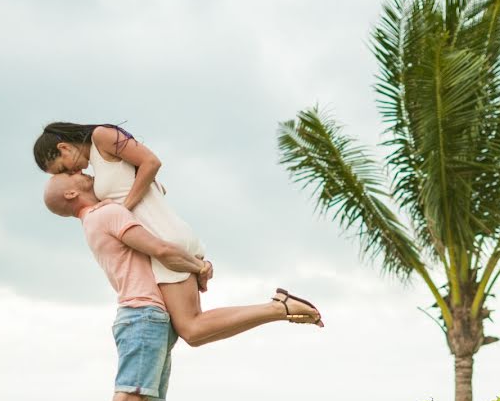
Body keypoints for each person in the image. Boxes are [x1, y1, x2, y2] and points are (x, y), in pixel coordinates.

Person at [43, 172, 321, 401]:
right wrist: (199, 266)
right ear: (71, 192)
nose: (84, 172)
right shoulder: (106, 215)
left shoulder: (98, 220)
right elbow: (160, 248)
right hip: (142, 317)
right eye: (73, 175)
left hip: (147, 317)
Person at [33, 122, 324, 344]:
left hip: (164, 238)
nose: (66, 173)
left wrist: (125, 207)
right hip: (162, 235)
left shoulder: (101, 136)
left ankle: (279, 308)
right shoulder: (97, 168)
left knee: (192, 329)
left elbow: (152, 162)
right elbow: (142, 181)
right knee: (193, 330)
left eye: (60, 168)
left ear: (62, 149)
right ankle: (278, 307)